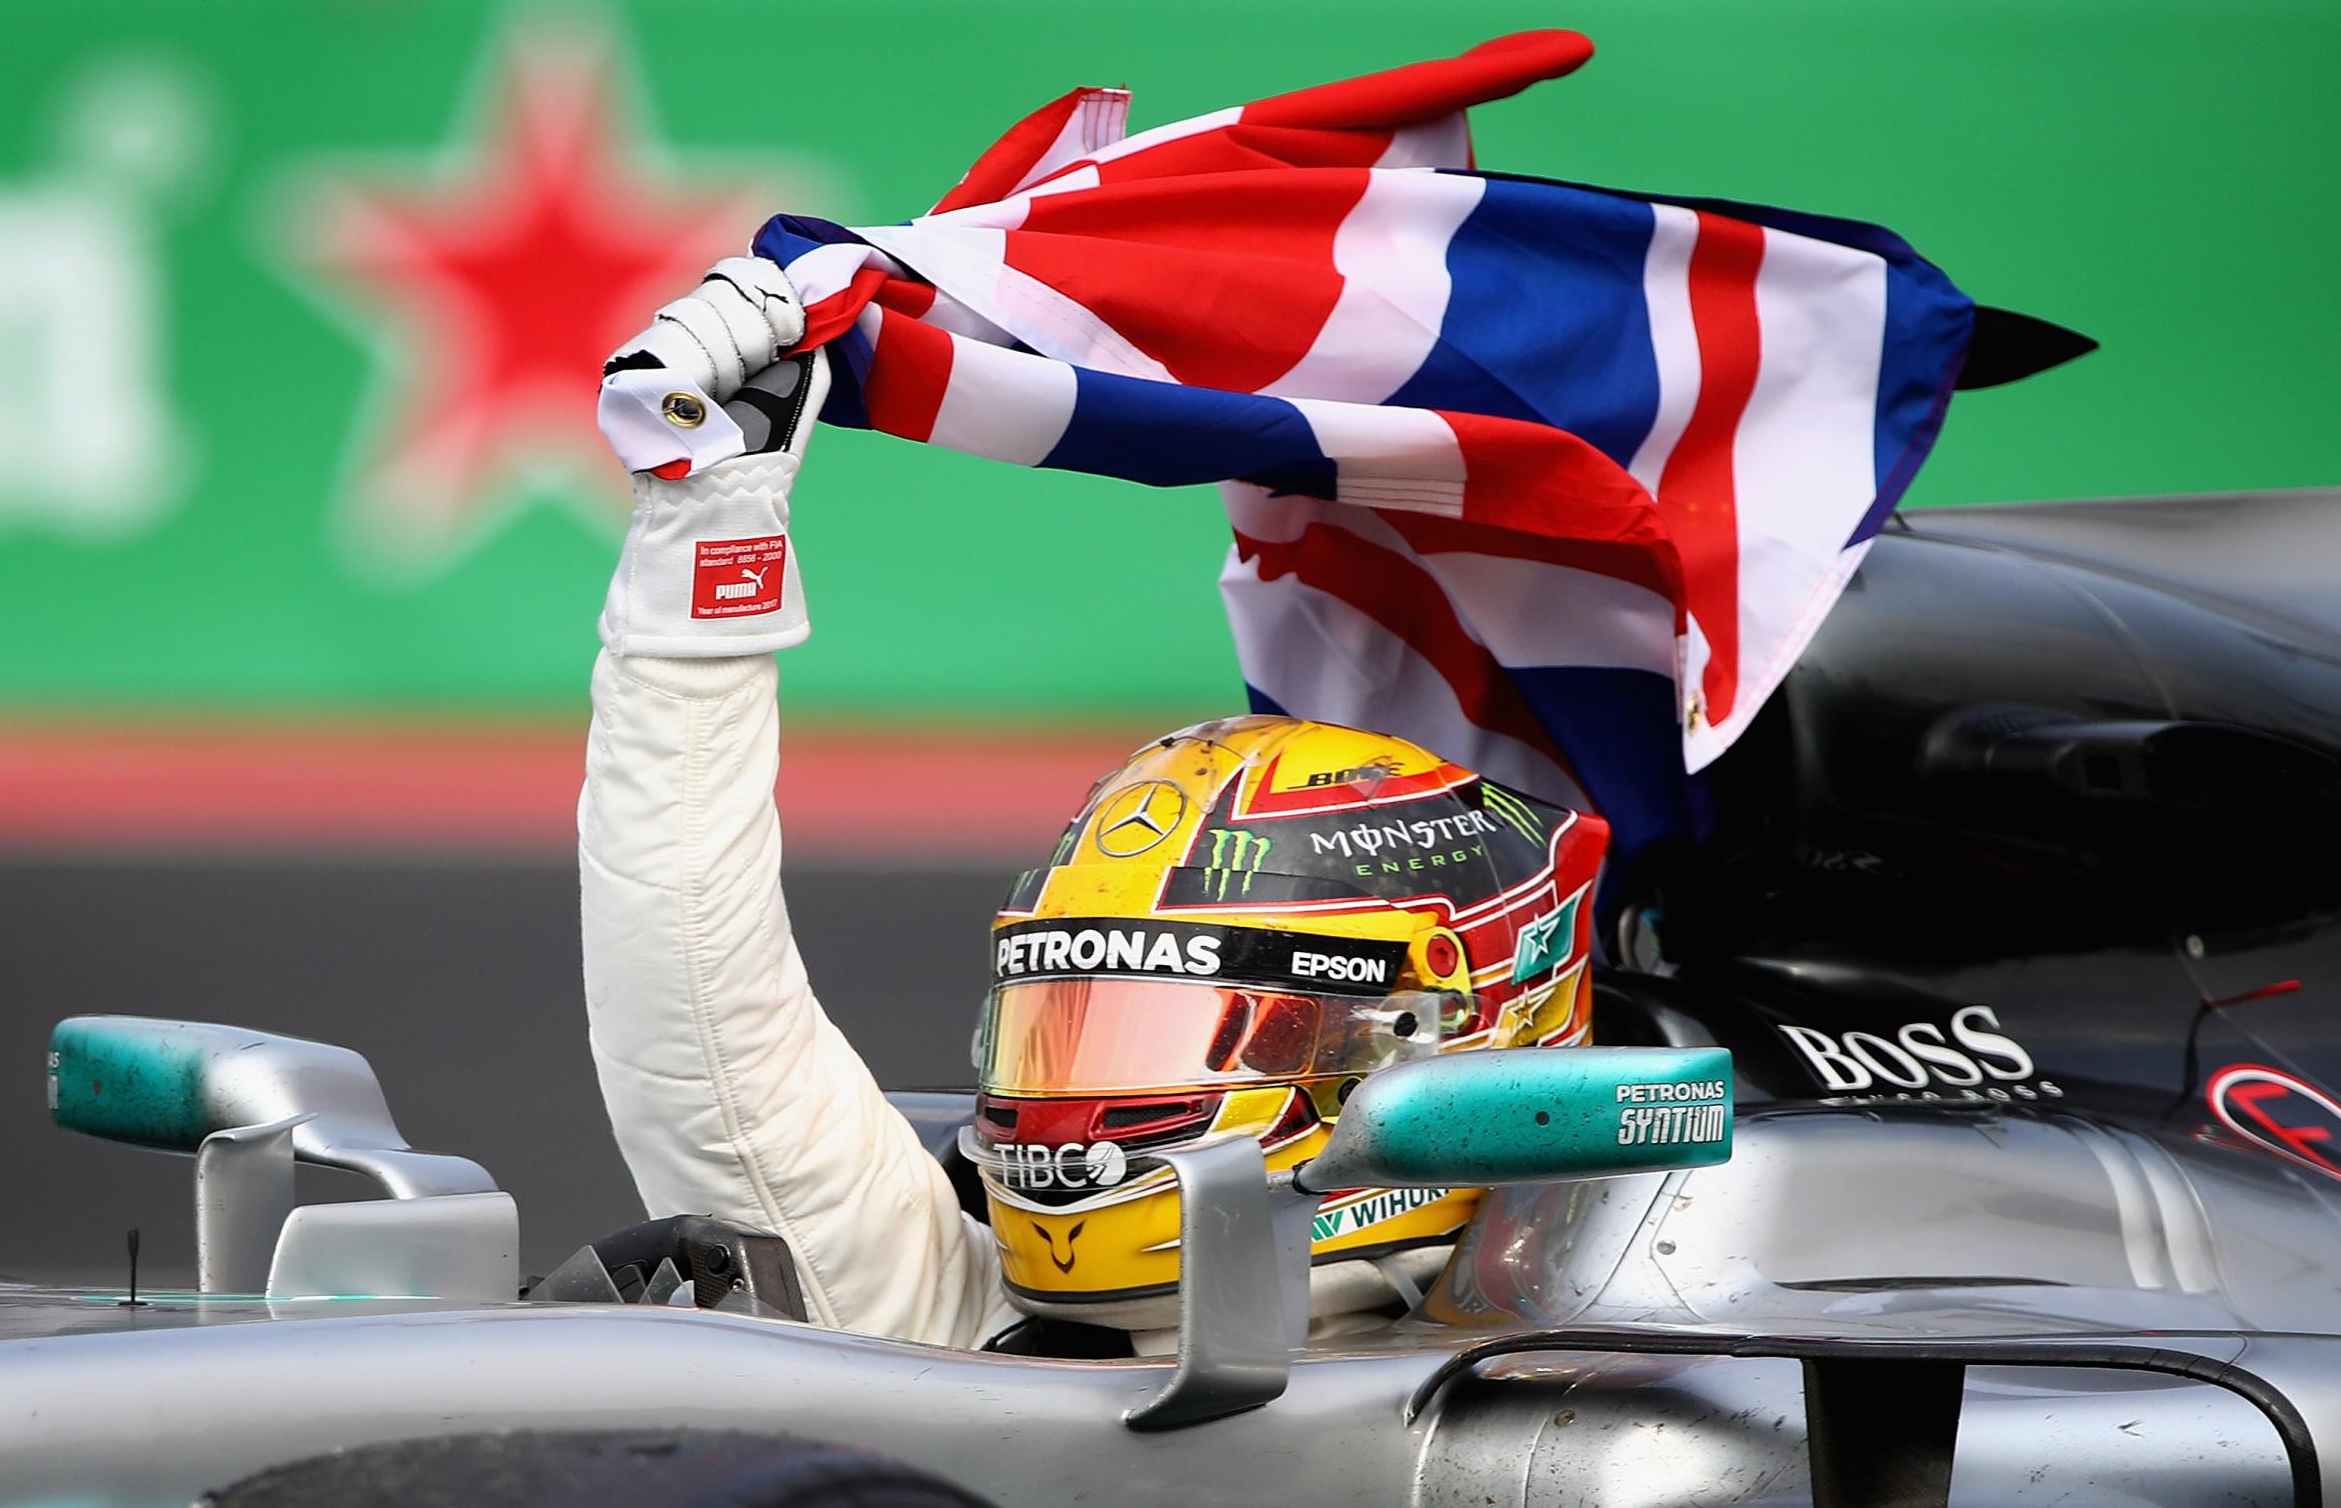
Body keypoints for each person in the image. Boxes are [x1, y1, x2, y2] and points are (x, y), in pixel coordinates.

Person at [580, 259, 1608, 1351]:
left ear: (1428, 1039)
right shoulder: (954, 1321)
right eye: (1066, 1026)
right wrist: (708, 537)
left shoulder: (1648, 1355)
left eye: (1215, 1028)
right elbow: (698, 1003)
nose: (1078, 1120)